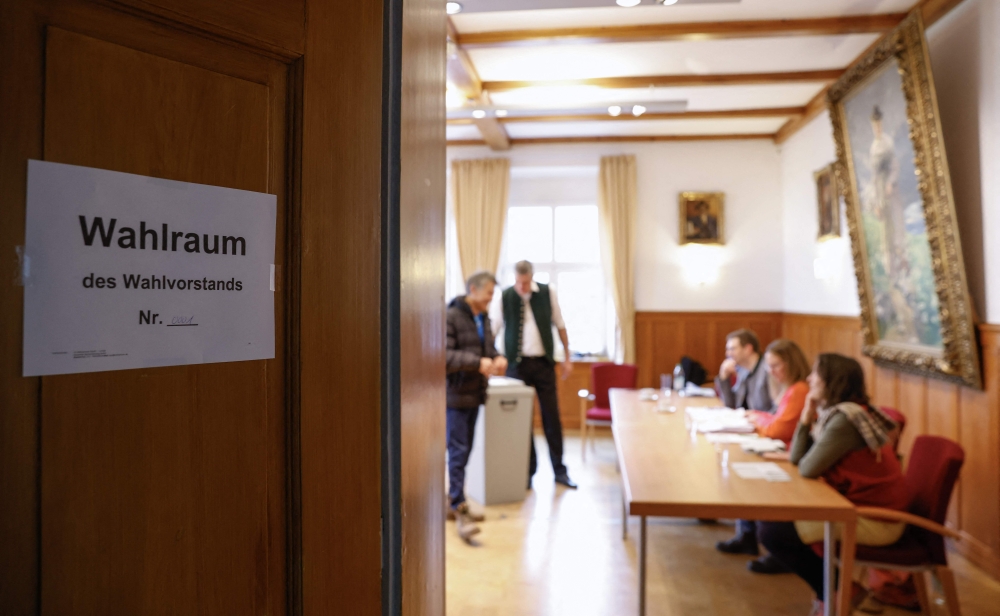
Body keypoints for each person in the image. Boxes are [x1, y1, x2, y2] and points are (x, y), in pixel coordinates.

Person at [759, 354, 911, 616]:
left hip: (877, 519)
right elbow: (798, 458)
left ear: (832, 381)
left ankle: (839, 592)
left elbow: (806, 468)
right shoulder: (843, 413)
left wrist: (808, 420)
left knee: (774, 530)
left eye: (815, 374)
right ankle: (839, 591)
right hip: (856, 505)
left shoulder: (845, 421)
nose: (808, 379)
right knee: (775, 523)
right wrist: (807, 415)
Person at [717, 338, 811, 574]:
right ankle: (747, 534)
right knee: (739, 468)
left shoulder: (799, 390)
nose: (771, 372)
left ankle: (775, 548)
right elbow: (770, 418)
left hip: (788, 454)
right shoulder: (789, 388)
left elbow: (779, 429)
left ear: (791, 363)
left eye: (776, 366)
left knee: (745, 474)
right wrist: (759, 418)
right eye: (769, 366)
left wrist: (758, 420)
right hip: (780, 449)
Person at [490, 260, 577, 490]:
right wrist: (490, 358)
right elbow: (495, 328)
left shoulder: (548, 293)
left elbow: (560, 324)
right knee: (521, 421)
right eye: (519, 282)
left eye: (526, 282)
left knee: (552, 418)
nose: (522, 287)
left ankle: (560, 470)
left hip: (544, 364)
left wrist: (567, 358)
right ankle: (527, 472)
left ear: (532, 277)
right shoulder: (505, 296)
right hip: (517, 367)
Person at [446, 271, 508, 542]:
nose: (490, 299)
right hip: (455, 396)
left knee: (465, 450)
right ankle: (458, 505)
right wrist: (477, 363)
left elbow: (488, 351)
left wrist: (497, 358)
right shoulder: (451, 316)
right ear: (473, 289)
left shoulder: (483, 318)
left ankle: (454, 502)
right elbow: (442, 355)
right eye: (489, 294)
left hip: (475, 394)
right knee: (458, 451)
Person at [715, 329, 772, 413]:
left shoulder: (769, 370)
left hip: (762, 424)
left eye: (732, 349)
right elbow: (731, 404)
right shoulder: (742, 370)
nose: (728, 354)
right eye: (727, 349)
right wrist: (724, 378)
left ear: (748, 349)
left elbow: (776, 409)